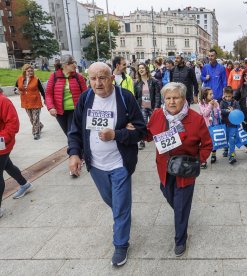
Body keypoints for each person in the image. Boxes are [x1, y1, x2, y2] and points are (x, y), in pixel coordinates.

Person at [67, 62, 147, 267]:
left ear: (112, 78)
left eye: (102, 77)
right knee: (111, 200)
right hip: (95, 165)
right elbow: (75, 128)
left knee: (120, 207)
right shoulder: (86, 98)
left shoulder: (124, 97)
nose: (97, 83)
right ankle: (123, 215)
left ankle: (121, 244)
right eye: (93, 78)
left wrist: (117, 134)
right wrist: (74, 154)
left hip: (120, 163)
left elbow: (140, 130)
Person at [146, 82, 212, 257]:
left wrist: (196, 162)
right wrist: (133, 131)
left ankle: (180, 240)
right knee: (169, 194)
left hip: (185, 172)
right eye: (168, 98)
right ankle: (182, 213)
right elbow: (147, 133)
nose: (171, 102)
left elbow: (207, 145)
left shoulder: (196, 119)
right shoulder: (158, 115)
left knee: (181, 205)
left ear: (183, 99)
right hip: (164, 169)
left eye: (176, 98)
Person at [0, 89, 34, 219]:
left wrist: (2, 138)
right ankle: (25, 184)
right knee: (8, 166)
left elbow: (13, 125)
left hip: (2, 144)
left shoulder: (3, 101)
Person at [45, 54, 88, 137]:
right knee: (68, 134)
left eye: (74, 62)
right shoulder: (54, 76)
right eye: (72, 63)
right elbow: (48, 94)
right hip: (60, 112)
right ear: (65, 65)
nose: (75, 65)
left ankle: (75, 149)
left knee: (71, 133)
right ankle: (76, 148)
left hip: (75, 110)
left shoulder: (78, 77)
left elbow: (85, 94)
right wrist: (51, 107)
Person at [134, 63, 161, 150]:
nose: (141, 69)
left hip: (153, 106)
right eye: (139, 68)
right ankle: (142, 141)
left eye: (142, 68)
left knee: (156, 124)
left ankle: (160, 141)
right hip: (142, 107)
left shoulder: (153, 81)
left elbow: (157, 95)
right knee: (143, 124)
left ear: (146, 69)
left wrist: (157, 106)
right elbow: (136, 96)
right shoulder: (137, 83)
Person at [15, 64, 45, 140]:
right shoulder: (19, 79)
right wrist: (18, 92)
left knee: (35, 118)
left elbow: (42, 90)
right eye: (28, 71)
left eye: (32, 71)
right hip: (26, 102)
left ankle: (36, 133)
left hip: (36, 102)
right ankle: (40, 125)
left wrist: (46, 99)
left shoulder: (36, 79)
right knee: (31, 119)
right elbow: (15, 88)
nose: (30, 72)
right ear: (24, 71)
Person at [198, 87, 220, 168]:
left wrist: (215, 107)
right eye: (210, 94)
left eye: (212, 93)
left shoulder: (216, 102)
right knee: (204, 144)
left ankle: (213, 155)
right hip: (205, 127)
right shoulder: (201, 104)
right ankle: (203, 160)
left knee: (214, 142)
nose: (212, 95)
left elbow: (217, 116)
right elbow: (205, 114)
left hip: (214, 125)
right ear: (204, 95)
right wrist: (210, 105)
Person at [220, 86, 241, 164]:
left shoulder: (235, 102)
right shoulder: (222, 102)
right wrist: (227, 111)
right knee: (225, 138)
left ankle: (231, 155)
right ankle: (226, 149)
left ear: (232, 95)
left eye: (229, 96)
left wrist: (234, 111)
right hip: (224, 124)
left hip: (233, 125)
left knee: (231, 140)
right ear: (224, 95)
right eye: (226, 96)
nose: (227, 98)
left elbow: (239, 111)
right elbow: (220, 111)